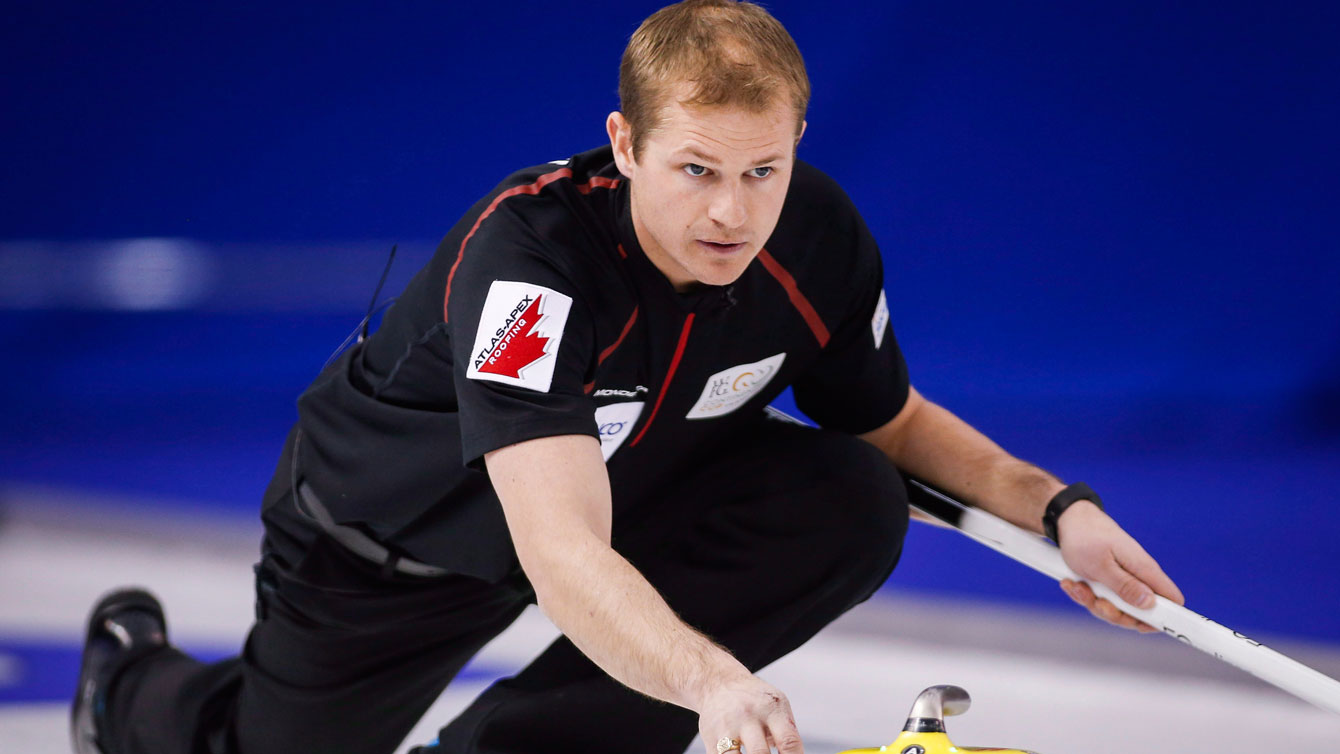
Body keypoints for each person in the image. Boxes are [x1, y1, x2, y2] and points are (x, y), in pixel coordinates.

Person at [72, 2, 1185, 753]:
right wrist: (708, 683)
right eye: (696, 169)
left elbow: (890, 424)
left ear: (797, 143)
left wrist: (1061, 511)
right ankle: (128, 682)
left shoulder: (815, 240)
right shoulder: (531, 265)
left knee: (848, 493)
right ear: (625, 142)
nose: (730, 212)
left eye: (763, 170)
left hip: (621, 496)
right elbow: (557, 550)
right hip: (394, 537)